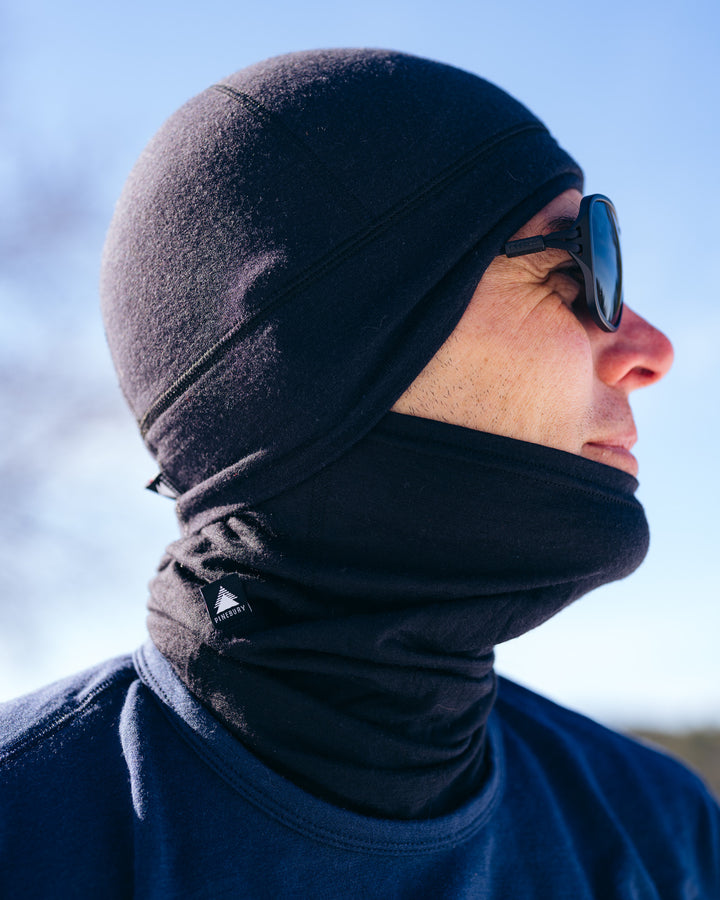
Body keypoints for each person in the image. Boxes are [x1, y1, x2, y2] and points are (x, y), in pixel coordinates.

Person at [1, 48, 718, 898]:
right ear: (319, 349)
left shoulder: (664, 831)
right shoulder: (25, 832)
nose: (651, 348)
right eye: (579, 265)